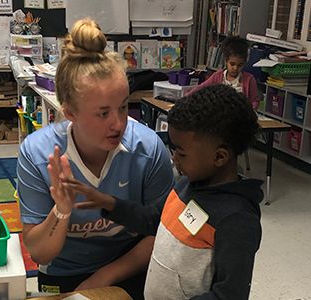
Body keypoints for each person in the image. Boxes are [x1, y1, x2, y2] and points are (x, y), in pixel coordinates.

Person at [17, 18, 174, 299]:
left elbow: (159, 235)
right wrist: (62, 209)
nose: (118, 123)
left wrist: (101, 280)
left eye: (124, 107)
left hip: (129, 266)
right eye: (103, 113)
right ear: (70, 113)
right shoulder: (38, 154)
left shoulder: (148, 150)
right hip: (64, 272)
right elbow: (39, 253)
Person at [62, 84, 263, 299]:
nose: (174, 159)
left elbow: (230, 294)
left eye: (182, 153)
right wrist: (109, 203)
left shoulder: (237, 220)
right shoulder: (187, 185)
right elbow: (150, 219)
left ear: (219, 157)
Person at [190, 36, 259, 109]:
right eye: (232, 64)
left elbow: (255, 101)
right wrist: (186, 98)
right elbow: (201, 88)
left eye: (240, 65)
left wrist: (251, 107)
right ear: (226, 61)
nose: (235, 68)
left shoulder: (249, 79)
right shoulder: (218, 76)